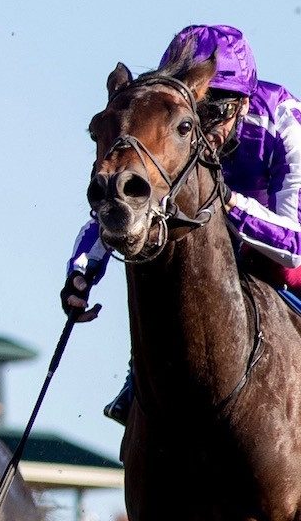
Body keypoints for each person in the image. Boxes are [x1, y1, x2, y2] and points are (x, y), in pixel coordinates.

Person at [60, 24, 301, 424]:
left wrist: (227, 202)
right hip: (215, 242)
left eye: (216, 111)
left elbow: (294, 246)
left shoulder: (283, 121)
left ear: (243, 104)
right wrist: (81, 273)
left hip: (280, 242)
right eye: (198, 110)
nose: (206, 127)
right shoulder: (169, 122)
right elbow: (117, 208)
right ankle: (139, 378)